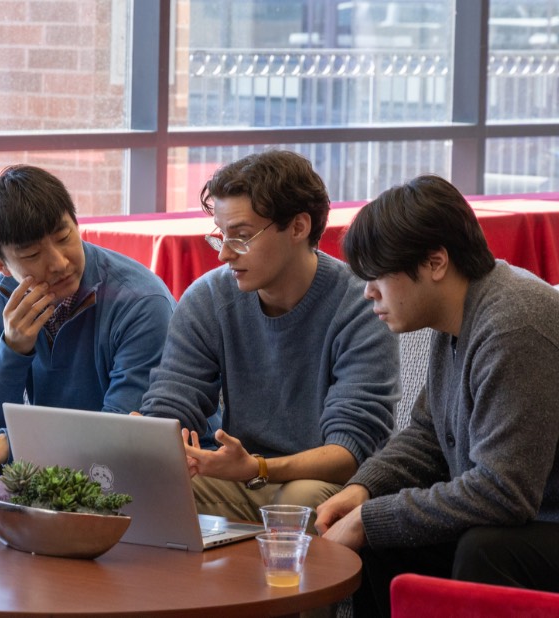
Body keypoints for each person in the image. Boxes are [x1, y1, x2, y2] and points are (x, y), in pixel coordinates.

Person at [315, 174, 559, 617]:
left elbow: (504, 492)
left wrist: (372, 520)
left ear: (435, 263)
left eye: (378, 275)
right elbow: (427, 433)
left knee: (485, 549)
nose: (368, 291)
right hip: (525, 521)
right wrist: (365, 490)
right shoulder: (457, 317)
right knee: (382, 539)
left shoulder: (514, 325)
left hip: (539, 524)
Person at [139, 150, 399, 524]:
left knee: (298, 499)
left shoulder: (359, 304)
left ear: (298, 227)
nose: (225, 254)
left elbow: (349, 451)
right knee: (136, 486)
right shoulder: (209, 298)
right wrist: (150, 436)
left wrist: (258, 467)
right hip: (240, 477)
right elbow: (175, 399)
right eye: (221, 236)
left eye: (242, 237)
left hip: (327, 481)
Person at [0, 164, 176, 503]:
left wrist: (12, 444)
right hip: (53, 459)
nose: (60, 263)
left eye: (64, 238)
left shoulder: (140, 301)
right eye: (33, 254)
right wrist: (12, 349)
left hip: (128, 464)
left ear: (76, 224)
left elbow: (126, 430)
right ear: (0, 263)